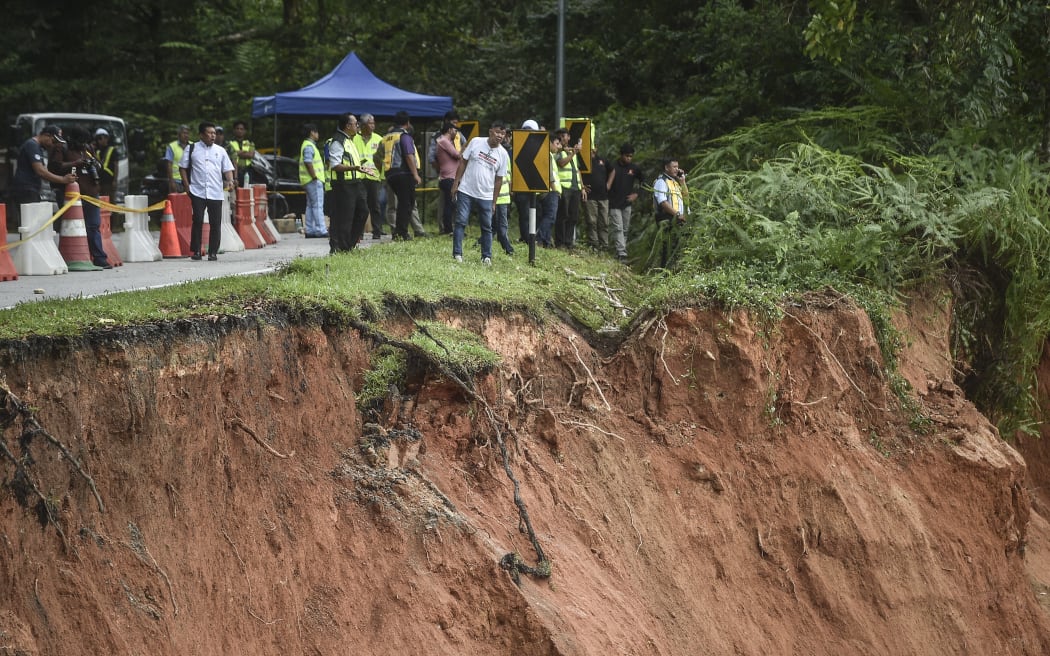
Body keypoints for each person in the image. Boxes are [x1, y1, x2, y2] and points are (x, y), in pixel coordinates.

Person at [48, 127, 111, 268]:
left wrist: (93, 164)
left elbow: (98, 165)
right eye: (81, 142)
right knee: (72, 227)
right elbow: (54, 168)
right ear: (73, 139)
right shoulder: (62, 148)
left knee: (93, 226)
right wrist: (75, 164)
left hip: (91, 194)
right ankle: (72, 257)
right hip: (70, 195)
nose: (83, 145)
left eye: (85, 142)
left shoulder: (88, 148)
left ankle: (99, 258)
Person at [450, 121, 509, 264]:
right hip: (466, 190)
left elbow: (499, 180)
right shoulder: (476, 142)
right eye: (497, 132)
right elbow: (463, 162)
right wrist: (456, 182)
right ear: (490, 131)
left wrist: (494, 201)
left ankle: (486, 257)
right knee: (461, 221)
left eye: (503, 133)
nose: (500, 136)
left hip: (486, 195)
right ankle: (457, 254)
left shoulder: (503, 154)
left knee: (487, 226)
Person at [179, 122, 235, 261]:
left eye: (214, 133)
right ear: (201, 135)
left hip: (216, 192)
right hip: (197, 191)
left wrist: (231, 181)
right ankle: (197, 251)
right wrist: (186, 185)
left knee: (215, 222)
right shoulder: (192, 149)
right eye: (210, 133)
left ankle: (213, 252)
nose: (213, 136)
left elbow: (227, 169)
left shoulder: (220, 150)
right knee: (197, 220)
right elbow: (182, 167)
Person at [7, 125, 75, 228]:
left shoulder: (38, 148)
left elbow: (44, 171)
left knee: (32, 224)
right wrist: (62, 179)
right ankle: (28, 244)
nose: (53, 145)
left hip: (31, 189)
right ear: (46, 135)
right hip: (26, 189)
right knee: (29, 224)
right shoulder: (32, 145)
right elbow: (40, 171)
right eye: (53, 141)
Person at [327, 113, 372, 253]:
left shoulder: (350, 140)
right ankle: (340, 247)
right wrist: (356, 167)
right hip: (343, 184)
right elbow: (335, 165)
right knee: (344, 218)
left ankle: (349, 245)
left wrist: (359, 168)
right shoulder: (337, 141)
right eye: (355, 123)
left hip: (355, 183)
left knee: (363, 212)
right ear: (348, 126)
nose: (357, 126)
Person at [378, 111, 421, 241]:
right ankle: (401, 233)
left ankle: (399, 231)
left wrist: (384, 167)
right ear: (407, 123)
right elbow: (409, 155)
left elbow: (376, 156)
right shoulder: (404, 136)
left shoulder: (385, 138)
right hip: (404, 173)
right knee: (406, 203)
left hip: (390, 174)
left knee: (403, 202)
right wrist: (415, 174)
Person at [607, 143, 644, 262]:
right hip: (613, 202)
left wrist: (636, 194)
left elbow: (644, 181)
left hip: (627, 203)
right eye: (627, 156)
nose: (629, 158)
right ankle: (622, 252)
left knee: (625, 229)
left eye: (631, 156)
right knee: (618, 227)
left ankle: (620, 251)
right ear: (621, 155)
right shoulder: (612, 167)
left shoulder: (634, 168)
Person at [352, 113, 386, 239]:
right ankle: (358, 233)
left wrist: (382, 176)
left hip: (374, 176)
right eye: (370, 123)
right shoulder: (354, 138)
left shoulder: (379, 139)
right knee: (360, 206)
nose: (373, 125)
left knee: (375, 205)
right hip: (359, 176)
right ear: (363, 125)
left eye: (373, 123)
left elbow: (384, 158)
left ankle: (377, 231)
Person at [652, 158, 689, 268]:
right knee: (667, 247)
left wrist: (682, 182)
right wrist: (677, 215)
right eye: (674, 167)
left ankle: (674, 270)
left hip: (678, 218)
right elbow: (662, 202)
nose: (677, 169)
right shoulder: (661, 181)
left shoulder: (675, 182)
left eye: (677, 167)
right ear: (666, 167)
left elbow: (686, 198)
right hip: (667, 218)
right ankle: (664, 271)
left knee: (677, 246)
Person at [554, 127, 585, 249]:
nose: (562, 138)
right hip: (564, 187)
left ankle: (568, 242)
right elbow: (561, 163)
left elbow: (577, 170)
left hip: (575, 188)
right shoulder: (558, 152)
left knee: (573, 216)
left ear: (569, 137)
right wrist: (573, 153)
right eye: (560, 136)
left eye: (564, 136)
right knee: (562, 216)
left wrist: (582, 187)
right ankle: (560, 242)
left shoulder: (572, 152)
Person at [513, 119, 541, 242]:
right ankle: (526, 239)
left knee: (537, 214)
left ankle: (532, 236)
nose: (527, 133)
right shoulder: (516, 147)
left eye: (530, 130)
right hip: (520, 187)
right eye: (525, 130)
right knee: (524, 214)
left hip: (536, 187)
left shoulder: (540, 147)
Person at [298, 123, 327, 239]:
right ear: (312, 133)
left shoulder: (306, 145)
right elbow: (308, 162)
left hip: (307, 180)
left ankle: (309, 230)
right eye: (316, 132)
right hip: (313, 180)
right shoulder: (309, 146)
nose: (318, 134)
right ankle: (321, 230)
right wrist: (315, 176)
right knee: (318, 205)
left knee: (310, 206)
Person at [434, 121, 462, 235]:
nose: (456, 133)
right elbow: (457, 155)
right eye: (455, 130)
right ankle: (449, 229)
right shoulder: (444, 141)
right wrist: (465, 147)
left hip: (449, 177)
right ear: (450, 130)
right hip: (449, 178)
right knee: (450, 204)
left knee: (450, 204)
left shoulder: (445, 141)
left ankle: (450, 228)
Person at [536, 133, 563, 248]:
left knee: (548, 216)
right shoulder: (546, 155)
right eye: (557, 144)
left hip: (548, 190)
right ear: (549, 143)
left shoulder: (549, 155)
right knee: (550, 216)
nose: (559, 146)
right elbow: (550, 174)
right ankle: (539, 239)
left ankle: (546, 242)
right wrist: (555, 190)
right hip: (550, 191)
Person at [581, 146, 611, 252]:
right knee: (591, 221)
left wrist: (608, 184)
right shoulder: (583, 160)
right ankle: (594, 244)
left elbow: (612, 171)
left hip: (603, 196)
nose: (591, 149)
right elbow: (577, 171)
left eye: (593, 147)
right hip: (590, 196)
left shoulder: (602, 160)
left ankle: (604, 245)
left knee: (604, 222)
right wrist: (582, 185)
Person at [228, 121, 257, 186]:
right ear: (234, 130)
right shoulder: (229, 143)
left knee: (247, 190)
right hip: (234, 171)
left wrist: (237, 153)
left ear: (245, 131)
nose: (239, 130)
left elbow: (251, 155)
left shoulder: (249, 142)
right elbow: (232, 156)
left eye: (241, 129)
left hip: (247, 171)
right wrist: (244, 152)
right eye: (237, 128)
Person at [164, 124, 191, 194]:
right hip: (176, 181)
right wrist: (171, 181)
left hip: (190, 181)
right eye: (184, 133)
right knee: (176, 203)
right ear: (179, 135)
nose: (186, 135)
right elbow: (169, 165)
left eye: (187, 133)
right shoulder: (172, 146)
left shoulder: (193, 145)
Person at [93, 128, 116, 200]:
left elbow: (116, 165)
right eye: (98, 138)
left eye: (101, 138)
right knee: (101, 200)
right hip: (100, 181)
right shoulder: (97, 151)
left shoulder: (112, 149)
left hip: (109, 180)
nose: (100, 140)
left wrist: (115, 180)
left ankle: (114, 211)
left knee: (110, 200)